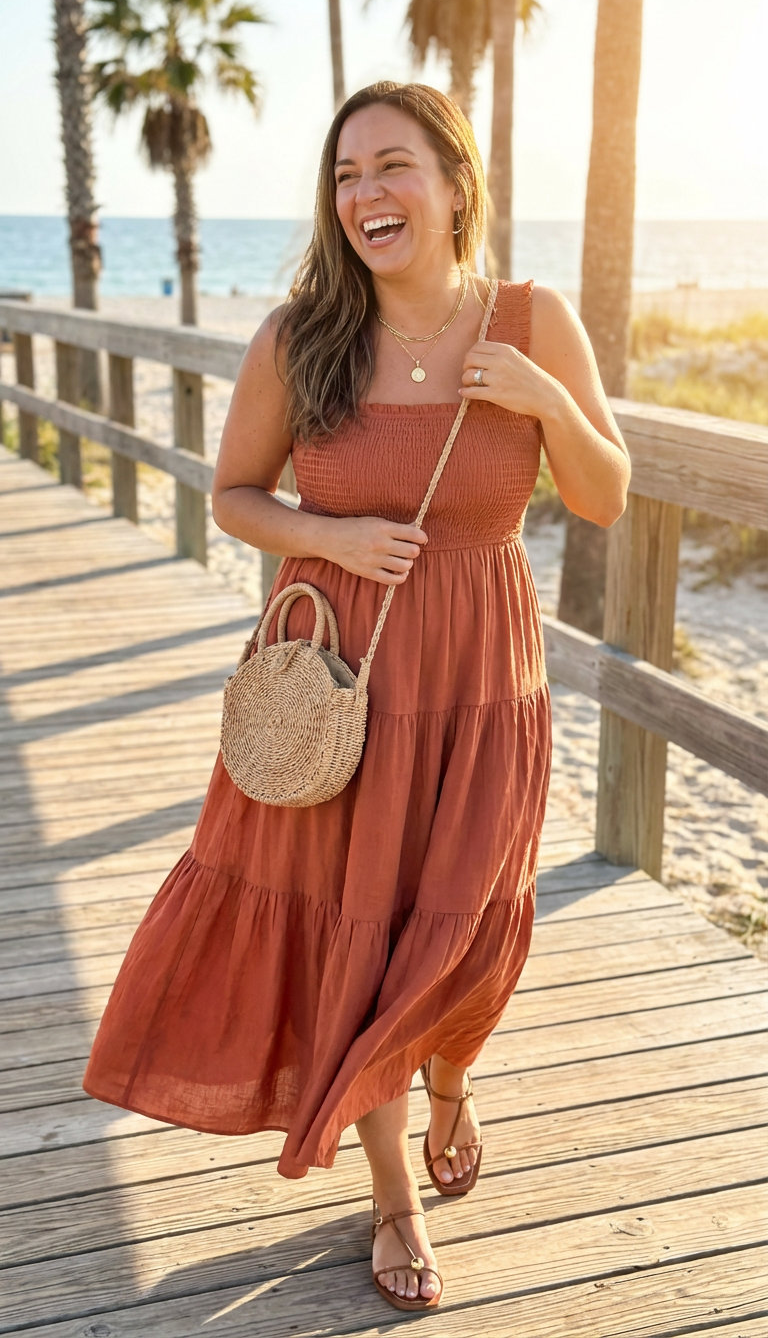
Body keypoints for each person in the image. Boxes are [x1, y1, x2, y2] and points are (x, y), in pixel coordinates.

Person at [83, 80, 630, 1312]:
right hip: (349, 693)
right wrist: (328, 527)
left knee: (475, 928)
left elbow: (605, 493)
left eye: (392, 166)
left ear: (453, 183)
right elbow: (234, 494)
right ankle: (388, 1198)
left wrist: (542, 401)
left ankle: (448, 1076)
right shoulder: (301, 335)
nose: (367, 194)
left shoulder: (536, 321)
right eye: (345, 176)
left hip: (488, 685)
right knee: (365, 936)